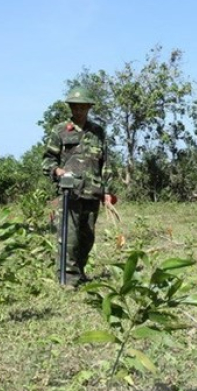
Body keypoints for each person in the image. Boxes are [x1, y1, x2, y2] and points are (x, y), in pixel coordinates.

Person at [42, 86, 114, 286]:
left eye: (83, 106)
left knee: (87, 237)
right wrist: (57, 171)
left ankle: (79, 272)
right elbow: (48, 160)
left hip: (93, 191)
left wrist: (107, 191)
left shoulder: (98, 132)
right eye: (75, 106)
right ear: (70, 107)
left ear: (89, 107)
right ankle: (68, 278)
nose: (79, 110)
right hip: (70, 192)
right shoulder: (60, 131)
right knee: (69, 236)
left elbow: (105, 163)